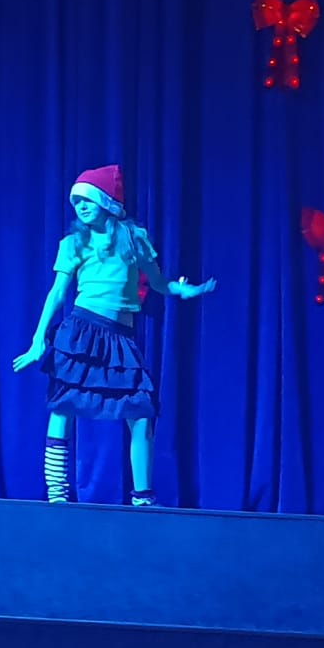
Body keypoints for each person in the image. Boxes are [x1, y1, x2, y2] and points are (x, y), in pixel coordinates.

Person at [13, 164, 216, 505]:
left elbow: (159, 283)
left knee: (141, 413)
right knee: (62, 407)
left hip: (119, 337)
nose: (81, 206)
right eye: (76, 202)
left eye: (87, 199)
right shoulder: (74, 243)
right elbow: (57, 292)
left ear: (106, 201)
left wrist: (184, 290)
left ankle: (143, 497)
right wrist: (38, 339)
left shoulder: (135, 240)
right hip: (81, 332)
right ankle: (57, 494)